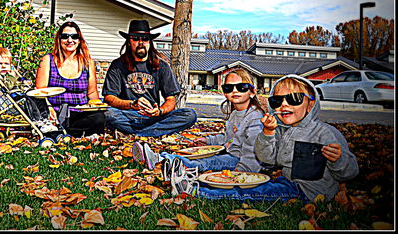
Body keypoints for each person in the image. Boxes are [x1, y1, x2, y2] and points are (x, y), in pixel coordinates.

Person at [133, 69, 265, 195]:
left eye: (241, 87)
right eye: (229, 88)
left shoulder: (255, 117)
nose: (234, 91)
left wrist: (242, 172)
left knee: (208, 162)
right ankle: (171, 166)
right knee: (204, 159)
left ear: (252, 92)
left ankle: (161, 159)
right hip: (232, 155)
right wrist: (207, 140)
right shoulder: (235, 114)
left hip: (242, 161)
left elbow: (253, 150)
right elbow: (227, 137)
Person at [253, 74, 359, 202]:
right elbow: (267, 159)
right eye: (277, 100)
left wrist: (338, 159)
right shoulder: (281, 130)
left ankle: (223, 193)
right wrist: (268, 133)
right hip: (286, 181)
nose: (284, 104)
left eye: (294, 98)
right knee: (258, 184)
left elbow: (350, 173)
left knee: (256, 192)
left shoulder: (325, 133)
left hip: (309, 191)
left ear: (310, 105)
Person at [102, 20, 197, 137]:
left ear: (150, 42)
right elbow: (109, 97)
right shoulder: (117, 66)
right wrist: (132, 104)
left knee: (189, 114)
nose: (141, 43)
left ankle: (137, 135)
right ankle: (151, 133)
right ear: (129, 42)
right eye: (136, 39)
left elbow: (171, 100)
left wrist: (159, 111)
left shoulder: (161, 65)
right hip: (126, 115)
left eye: (145, 39)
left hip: (153, 117)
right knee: (106, 112)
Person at [35, 21, 106, 137]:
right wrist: (49, 109)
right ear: (59, 39)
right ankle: (63, 132)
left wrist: (96, 107)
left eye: (74, 36)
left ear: (79, 40)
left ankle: (64, 133)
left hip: (79, 113)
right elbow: (39, 92)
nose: (69, 40)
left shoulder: (87, 63)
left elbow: (92, 93)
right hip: (54, 113)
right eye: (65, 36)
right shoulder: (48, 60)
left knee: (99, 118)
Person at [0, 47, 57, 134]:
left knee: (37, 95)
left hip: (18, 96)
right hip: (10, 101)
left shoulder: (7, 74)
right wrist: (12, 76)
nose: (3, 66)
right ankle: (37, 122)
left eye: (6, 64)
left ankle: (45, 120)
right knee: (29, 98)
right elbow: (7, 86)